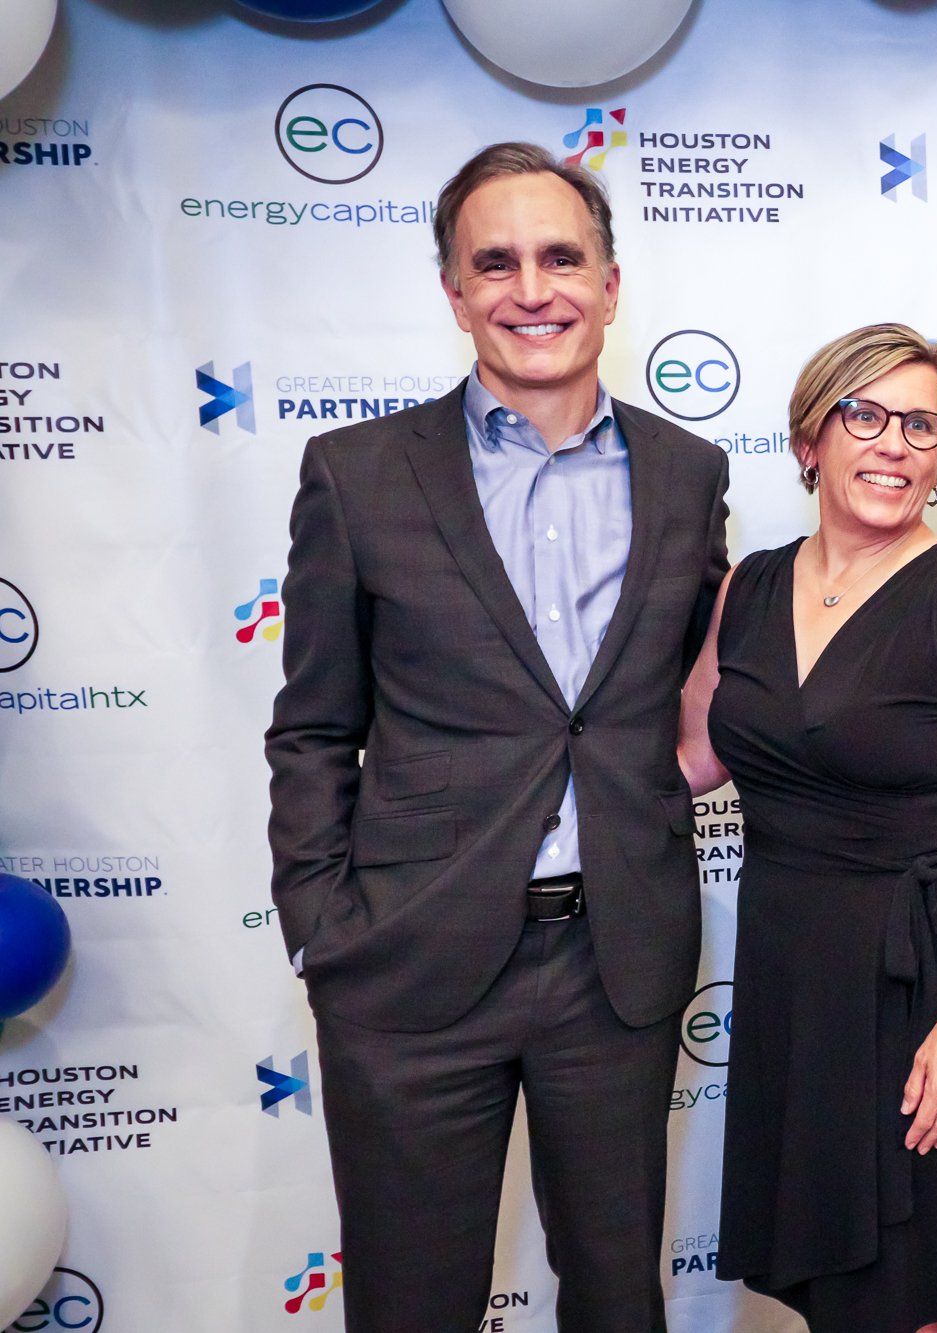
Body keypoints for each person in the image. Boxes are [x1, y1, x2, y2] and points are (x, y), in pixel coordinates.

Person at [265, 141, 728, 1331]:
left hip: (613, 963)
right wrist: (326, 930)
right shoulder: (358, 475)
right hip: (408, 963)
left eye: (562, 257)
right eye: (497, 262)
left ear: (611, 285)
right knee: (414, 1303)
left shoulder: (687, 474)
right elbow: (314, 727)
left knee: (620, 1299)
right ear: (456, 292)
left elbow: (700, 690)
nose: (534, 288)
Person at [677, 323, 937, 1333]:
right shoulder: (747, 586)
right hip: (787, 975)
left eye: (920, 426)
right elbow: (692, 757)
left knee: (906, 1289)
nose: (893, 443)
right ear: (809, 440)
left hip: (915, 981)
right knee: (832, 1292)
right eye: (865, 415)